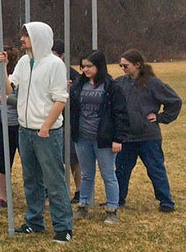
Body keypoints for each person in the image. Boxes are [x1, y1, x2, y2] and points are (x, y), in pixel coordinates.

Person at [0, 23, 72, 243]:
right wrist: (3, 69)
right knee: (31, 179)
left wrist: (46, 126)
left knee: (54, 179)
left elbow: (60, 99)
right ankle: (34, 221)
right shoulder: (23, 62)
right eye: (22, 35)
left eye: (26, 35)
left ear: (39, 38)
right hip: (24, 129)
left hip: (46, 132)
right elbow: (10, 89)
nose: (22, 39)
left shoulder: (55, 64)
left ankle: (63, 226)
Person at [115, 49, 181, 212]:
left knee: (155, 169)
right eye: (120, 65)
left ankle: (166, 201)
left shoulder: (152, 83)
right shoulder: (119, 83)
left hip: (148, 137)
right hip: (126, 137)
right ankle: (117, 198)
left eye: (126, 65)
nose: (122, 68)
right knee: (121, 170)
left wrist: (160, 117)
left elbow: (175, 101)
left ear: (137, 65)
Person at [70, 50, 129, 224]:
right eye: (83, 66)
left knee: (108, 174)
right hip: (82, 137)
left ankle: (112, 209)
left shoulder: (112, 87)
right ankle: (84, 204)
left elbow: (120, 114)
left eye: (90, 66)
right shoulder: (79, 85)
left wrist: (118, 139)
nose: (86, 70)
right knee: (87, 173)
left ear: (99, 66)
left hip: (104, 139)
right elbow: (73, 108)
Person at [0, 45, 20, 208]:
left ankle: (38, 197)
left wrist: (5, 99)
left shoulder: (16, 77)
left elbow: (19, 99)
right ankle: (3, 196)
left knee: (30, 164)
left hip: (20, 125)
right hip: (4, 125)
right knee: (3, 161)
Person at [53, 39, 83, 202]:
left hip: (68, 123)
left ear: (62, 56)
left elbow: (79, 98)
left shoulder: (72, 75)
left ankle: (79, 191)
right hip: (51, 122)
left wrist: (69, 89)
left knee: (73, 159)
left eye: (54, 55)